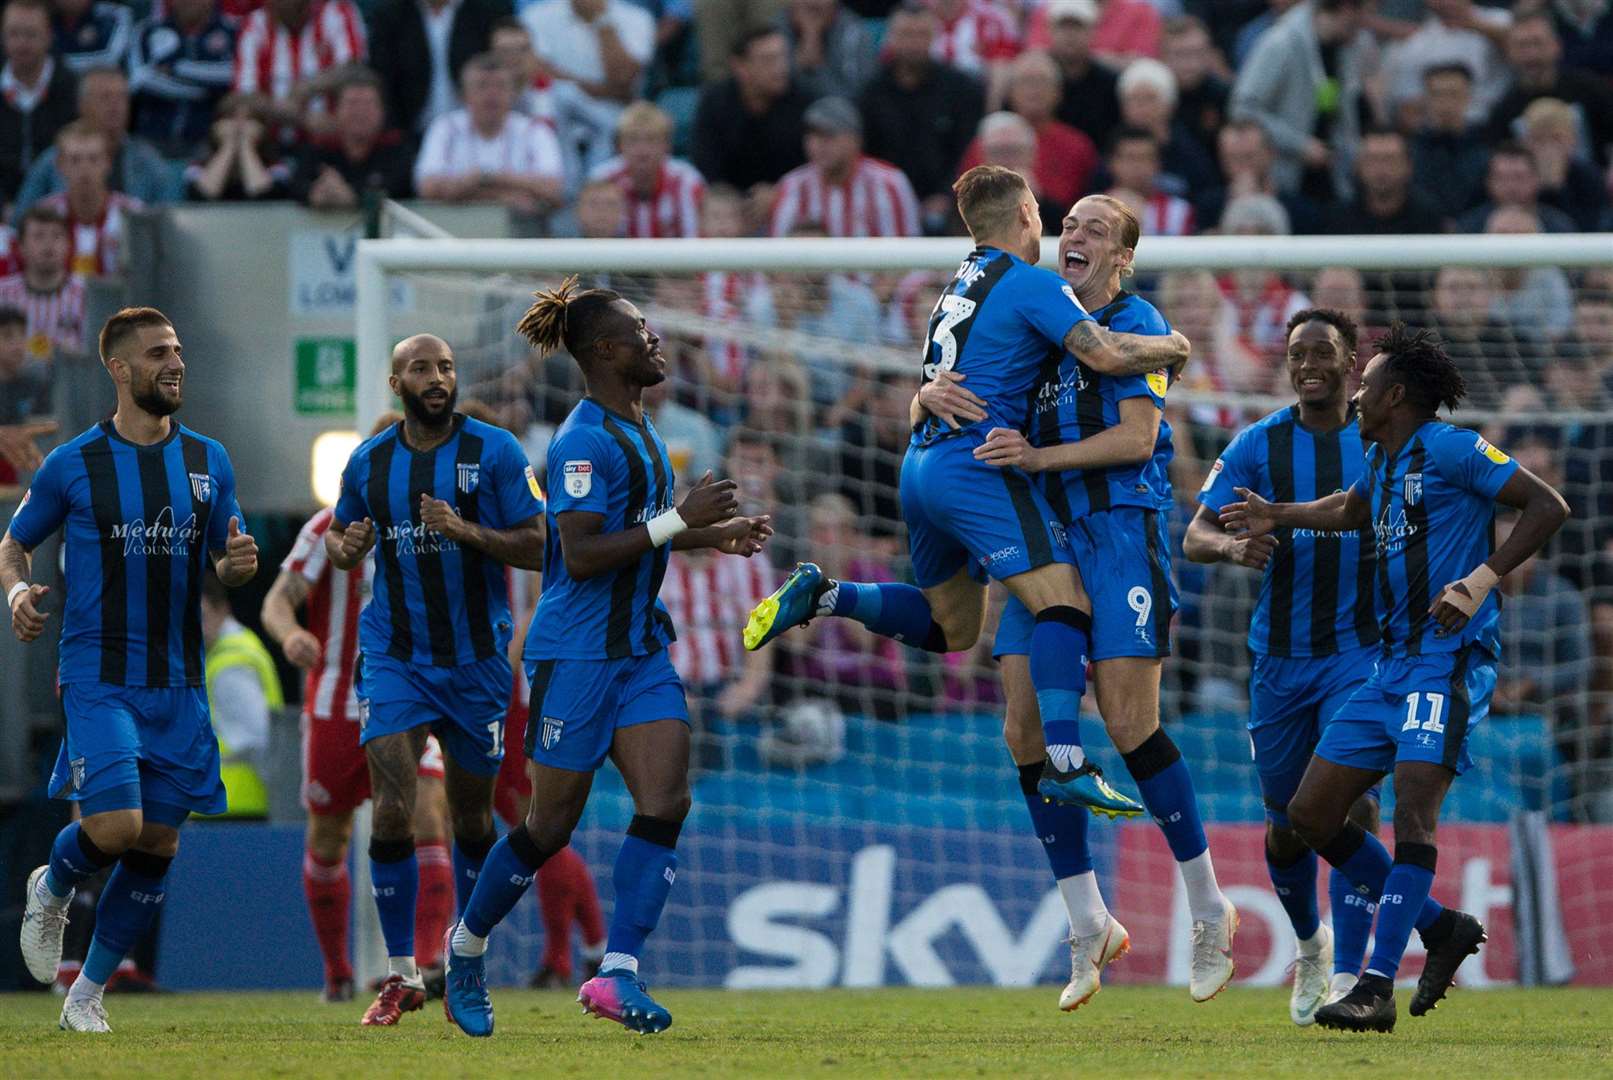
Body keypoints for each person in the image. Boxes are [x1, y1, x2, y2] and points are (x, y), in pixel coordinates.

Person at [744, 167, 1188, 826]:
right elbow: (1099, 354)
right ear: (1028, 217)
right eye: (1056, 219)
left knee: (951, 628)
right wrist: (1173, 347)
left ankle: (825, 594)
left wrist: (922, 394)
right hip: (972, 468)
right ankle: (1066, 760)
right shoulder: (1032, 283)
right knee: (1063, 600)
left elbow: (937, 384)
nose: (1062, 231)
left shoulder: (954, 288)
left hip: (917, 467)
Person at [917, 192, 1237, 1008]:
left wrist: (1034, 458)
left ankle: (1208, 907)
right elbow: (956, 383)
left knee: (1131, 725)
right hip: (1046, 543)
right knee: (1019, 727)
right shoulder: (1037, 318)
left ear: (1122, 255)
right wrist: (921, 397)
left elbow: (1135, 439)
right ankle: (1087, 919)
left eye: (1097, 228)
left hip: (1120, 533)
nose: (1076, 233)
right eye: (1071, 223)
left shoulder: (1135, 322)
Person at [440, 277, 772, 1038]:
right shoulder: (583, 441)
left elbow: (644, 530)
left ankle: (616, 973)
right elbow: (582, 555)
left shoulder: (642, 427)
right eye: (638, 330)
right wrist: (678, 522)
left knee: (666, 801)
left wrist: (709, 536)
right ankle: (466, 948)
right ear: (601, 351)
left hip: (639, 650)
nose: (653, 338)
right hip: (578, 654)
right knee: (548, 827)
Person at [1220, 323, 1571, 1032]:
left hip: (1444, 666)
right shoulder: (1381, 461)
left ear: (1396, 393)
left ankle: (1374, 986)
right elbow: (1350, 509)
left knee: (1411, 813)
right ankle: (1440, 926)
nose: (1355, 394)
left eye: (1366, 381)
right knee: (1309, 815)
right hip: (1386, 669)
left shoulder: (1451, 447)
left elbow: (1546, 506)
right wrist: (1276, 513)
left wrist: (1479, 579)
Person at [6, 306, 259, 1032]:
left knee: (158, 843)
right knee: (115, 826)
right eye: (157, 353)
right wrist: (20, 591)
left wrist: (237, 566)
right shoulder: (73, 463)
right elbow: (13, 544)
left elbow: (225, 557)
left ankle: (86, 993)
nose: (174, 362)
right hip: (97, 673)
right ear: (118, 369)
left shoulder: (210, 459)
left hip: (179, 681)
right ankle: (51, 886)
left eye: (177, 349)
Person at [323, 333, 546, 1026]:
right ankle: (399, 974)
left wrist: (469, 532)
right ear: (397, 383)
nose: (437, 377)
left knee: (473, 818)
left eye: (445, 366)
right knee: (390, 809)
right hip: (395, 658)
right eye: (421, 368)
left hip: (477, 663)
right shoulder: (368, 463)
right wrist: (344, 547)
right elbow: (339, 539)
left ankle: (467, 963)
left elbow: (542, 544)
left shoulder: (498, 452)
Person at [1185, 308, 1385, 1023]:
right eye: (1297, 351)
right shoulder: (1255, 443)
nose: (1307, 363)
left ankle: (1352, 982)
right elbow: (1194, 533)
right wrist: (1230, 548)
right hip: (1278, 660)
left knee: (1348, 804)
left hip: (1361, 653)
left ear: (1349, 363)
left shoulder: (1379, 438)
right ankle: (1311, 945)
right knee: (1286, 827)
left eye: (1322, 351)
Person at [259, 412, 460, 1003]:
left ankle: (424, 965)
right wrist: (289, 633)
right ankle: (338, 974)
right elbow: (278, 600)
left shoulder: (437, 528)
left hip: (411, 699)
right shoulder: (331, 526)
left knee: (428, 813)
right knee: (328, 834)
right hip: (336, 705)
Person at [859, 2, 984, 233]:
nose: (914, 43)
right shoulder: (870, 93)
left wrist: (949, 194)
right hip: (881, 200)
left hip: (948, 204)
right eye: (906, 34)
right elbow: (865, 154)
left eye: (922, 35)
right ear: (890, 38)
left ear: (934, 38)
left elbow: (969, 152)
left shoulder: (961, 90)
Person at [1228, 0, 1369, 204]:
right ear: (1347, 8)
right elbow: (1242, 108)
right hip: (1285, 178)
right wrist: (1299, 145)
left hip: (1331, 176)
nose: (1366, 25)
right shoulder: (1281, 42)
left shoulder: (1343, 49)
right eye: (1363, 15)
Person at [413, 54, 565, 214]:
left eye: (500, 86)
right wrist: (504, 196)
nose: (492, 94)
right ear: (463, 95)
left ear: (513, 93)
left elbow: (553, 190)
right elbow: (427, 188)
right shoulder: (444, 127)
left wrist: (481, 179)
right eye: (482, 85)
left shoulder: (535, 131)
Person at [768, 96, 920, 238]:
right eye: (811, 136)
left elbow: (907, 258)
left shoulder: (889, 185)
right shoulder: (792, 186)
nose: (817, 145)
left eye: (828, 135)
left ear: (856, 140)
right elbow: (776, 258)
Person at [690, 27, 810, 195]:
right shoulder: (715, 103)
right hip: (729, 207)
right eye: (768, 60)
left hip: (790, 202)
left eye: (783, 57)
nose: (781, 67)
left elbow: (809, 170)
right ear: (740, 67)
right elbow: (707, 168)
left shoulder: (805, 102)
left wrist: (779, 193)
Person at [367, 0, 513, 137]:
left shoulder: (488, 11)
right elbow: (381, 79)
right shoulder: (390, 15)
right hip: (408, 134)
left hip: (477, 134)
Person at [199, 574, 277, 819]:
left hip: (232, 807)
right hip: (225, 804)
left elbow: (256, 739)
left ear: (222, 609)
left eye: (200, 616)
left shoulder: (230, 664)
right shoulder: (222, 655)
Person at [231, 0, 368, 131]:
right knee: (241, 122)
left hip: (329, 134)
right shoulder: (256, 23)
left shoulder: (336, 12)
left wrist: (307, 88)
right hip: (271, 136)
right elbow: (243, 95)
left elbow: (354, 70)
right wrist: (299, 118)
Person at [127, 0, 238, 160]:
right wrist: (207, 90)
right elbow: (141, 80)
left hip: (207, 140)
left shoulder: (233, 30)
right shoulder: (147, 30)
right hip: (150, 137)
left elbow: (231, 75)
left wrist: (176, 68)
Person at [289, 68, 415, 207]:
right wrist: (313, 193)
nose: (360, 112)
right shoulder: (319, 145)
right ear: (336, 110)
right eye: (352, 103)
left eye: (368, 104)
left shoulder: (397, 147)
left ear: (383, 111)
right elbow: (296, 185)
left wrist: (353, 195)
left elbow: (400, 186)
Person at [35, 123, 145, 277]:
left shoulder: (133, 213)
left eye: (93, 159)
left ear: (108, 163)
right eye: (75, 160)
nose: (84, 169)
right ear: (60, 165)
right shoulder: (43, 214)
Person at [586, 101, 705, 238]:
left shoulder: (687, 182)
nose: (642, 151)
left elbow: (695, 243)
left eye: (652, 140)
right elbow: (594, 241)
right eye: (633, 140)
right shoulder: (602, 179)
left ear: (667, 145)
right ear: (619, 146)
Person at [0, 0, 78, 203]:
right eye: (14, 34)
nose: (21, 43)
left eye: (31, 34)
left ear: (49, 37)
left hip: (56, 206)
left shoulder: (70, 88)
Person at [0, 205, 87, 358]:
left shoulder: (86, 296)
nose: (49, 244)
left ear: (68, 245)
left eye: (56, 236)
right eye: (38, 236)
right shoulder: (3, 295)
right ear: (21, 247)